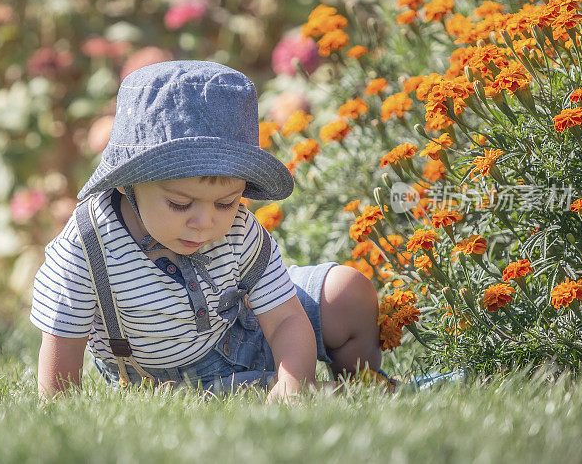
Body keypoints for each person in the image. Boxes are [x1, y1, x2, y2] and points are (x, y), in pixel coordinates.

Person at [31, 60, 382, 402]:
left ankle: (362, 384)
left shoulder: (240, 228)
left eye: (226, 203)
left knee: (346, 292)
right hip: (186, 382)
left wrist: (294, 386)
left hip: (249, 327)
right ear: (127, 184)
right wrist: (59, 414)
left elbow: (285, 318)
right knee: (262, 395)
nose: (205, 223)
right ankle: (320, 393)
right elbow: (63, 344)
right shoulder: (88, 245)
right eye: (181, 205)